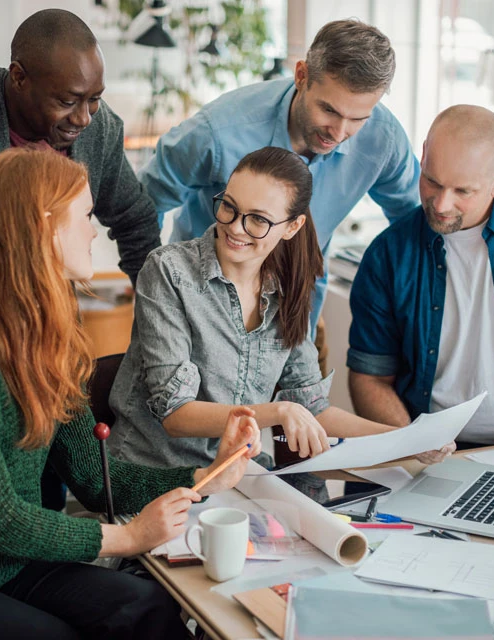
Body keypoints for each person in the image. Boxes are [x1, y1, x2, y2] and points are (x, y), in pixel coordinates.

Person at [0, 148, 261, 639]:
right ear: (44, 225)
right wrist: (129, 537)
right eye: (85, 216)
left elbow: (95, 479)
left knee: (144, 605)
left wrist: (208, 475)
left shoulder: (45, 327)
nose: (93, 231)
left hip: (9, 561)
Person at [108, 147, 450, 500]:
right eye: (229, 207)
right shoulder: (169, 272)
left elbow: (314, 408)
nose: (235, 228)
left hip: (238, 479)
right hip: (153, 481)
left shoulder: (287, 290)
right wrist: (280, 411)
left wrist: (407, 442)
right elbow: (175, 414)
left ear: (292, 226)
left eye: (258, 219)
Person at [138, 19, 421, 335]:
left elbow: (414, 221)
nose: (340, 133)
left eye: (357, 119)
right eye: (328, 111)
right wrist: (154, 296)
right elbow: (143, 208)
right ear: (301, 76)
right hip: (197, 309)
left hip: (296, 317)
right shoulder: (218, 131)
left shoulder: (384, 138)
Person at [0, 8, 160, 317]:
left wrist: (160, 324)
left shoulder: (99, 129)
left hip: (44, 341)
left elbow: (136, 222)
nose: (84, 118)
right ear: (18, 77)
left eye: (95, 99)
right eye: (67, 102)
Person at [347, 104, 494, 446]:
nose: (441, 204)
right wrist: (414, 443)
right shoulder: (388, 255)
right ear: (424, 155)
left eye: (462, 191)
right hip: (432, 452)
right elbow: (370, 378)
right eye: (432, 181)